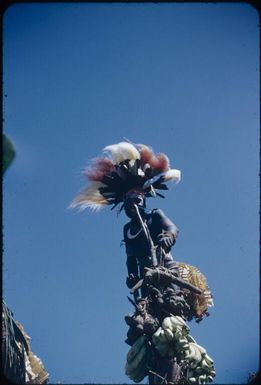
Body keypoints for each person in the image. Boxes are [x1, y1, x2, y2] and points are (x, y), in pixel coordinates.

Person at [123, 189, 179, 295]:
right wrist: (132, 275)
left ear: (144, 201)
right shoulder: (127, 229)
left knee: (173, 297)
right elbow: (130, 258)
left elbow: (172, 227)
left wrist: (169, 236)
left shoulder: (154, 215)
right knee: (148, 305)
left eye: (137, 200)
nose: (133, 204)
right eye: (129, 202)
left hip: (165, 265)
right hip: (145, 274)